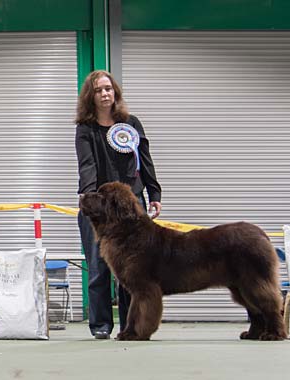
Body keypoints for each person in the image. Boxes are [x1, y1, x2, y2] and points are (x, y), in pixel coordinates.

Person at [75, 70, 163, 340]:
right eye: (99, 90)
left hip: (131, 205)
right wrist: (89, 198)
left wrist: (154, 193)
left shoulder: (131, 124)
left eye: (109, 89)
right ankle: (101, 324)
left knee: (133, 269)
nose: (105, 94)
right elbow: (87, 165)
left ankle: (131, 324)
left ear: (116, 93)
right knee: (99, 268)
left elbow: (144, 160)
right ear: (91, 96)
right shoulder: (86, 129)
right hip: (100, 208)